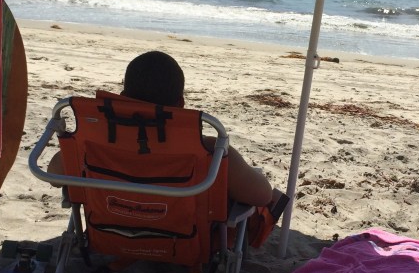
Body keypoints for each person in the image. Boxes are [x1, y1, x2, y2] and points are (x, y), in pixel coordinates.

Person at [48, 51, 287, 235]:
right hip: (183, 243)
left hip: (110, 232)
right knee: (270, 198)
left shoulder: (92, 143)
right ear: (180, 103)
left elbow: (53, 174)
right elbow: (262, 195)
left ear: (123, 97)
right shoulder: (208, 151)